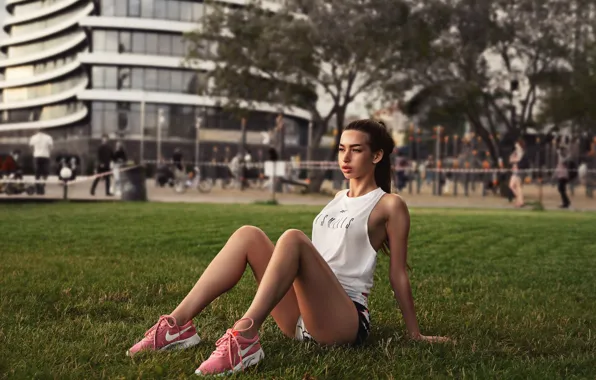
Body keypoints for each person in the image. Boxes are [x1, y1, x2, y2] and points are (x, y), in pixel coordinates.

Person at [127, 119, 450, 375]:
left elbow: (398, 275)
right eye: (341, 149)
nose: (346, 158)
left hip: (341, 321)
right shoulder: (337, 198)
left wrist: (414, 333)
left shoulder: (390, 205)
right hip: (299, 314)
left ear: (376, 155)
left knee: (293, 237)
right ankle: (176, 327)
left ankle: (245, 335)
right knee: (248, 234)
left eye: (357, 150)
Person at [29, 129, 53, 195]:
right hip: (45, 156)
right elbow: (51, 147)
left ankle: (38, 188)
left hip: (37, 156)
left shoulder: (33, 137)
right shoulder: (48, 137)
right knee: (45, 172)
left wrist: (35, 152)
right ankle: (42, 185)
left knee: (37, 173)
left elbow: (31, 146)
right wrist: (48, 152)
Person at [508, 139, 526, 208]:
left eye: (517, 144)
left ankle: (520, 201)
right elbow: (510, 159)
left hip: (519, 170)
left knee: (518, 186)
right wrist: (513, 159)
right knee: (511, 186)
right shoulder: (515, 151)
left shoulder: (521, 151)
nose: (515, 145)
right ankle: (520, 200)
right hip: (514, 170)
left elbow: (518, 159)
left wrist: (514, 160)